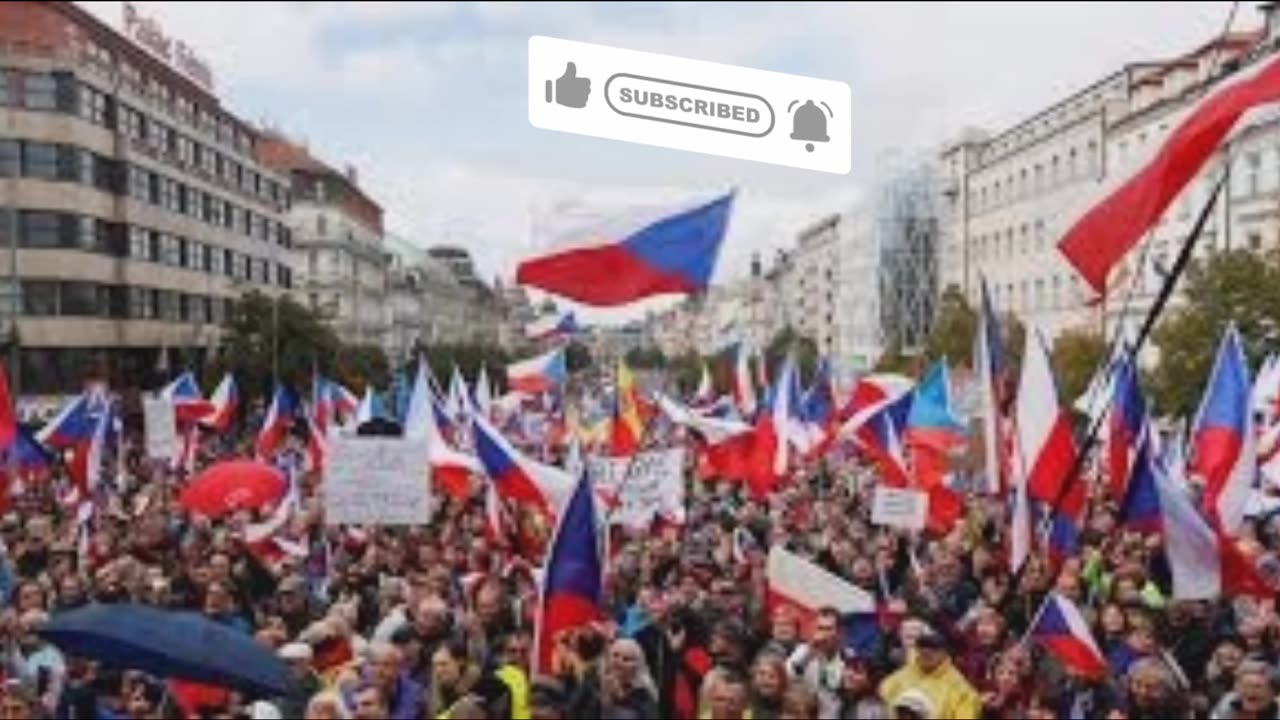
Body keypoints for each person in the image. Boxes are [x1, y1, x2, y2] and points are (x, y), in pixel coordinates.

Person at [879, 630, 981, 719]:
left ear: (945, 652)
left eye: (934, 649)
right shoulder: (895, 680)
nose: (926, 652)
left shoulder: (962, 691)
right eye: (922, 648)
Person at [786, 606, 845, 718]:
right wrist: (809, 652)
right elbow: (786, 675)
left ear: (839, 632)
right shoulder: (804, 651)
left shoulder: (848, 658)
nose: (823, 634)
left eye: (828, 629)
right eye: (820, 628)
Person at [602, 638, 659, 719]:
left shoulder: (644, 698)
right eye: (615, 655)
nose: (618, 661)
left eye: (626, 659)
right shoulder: (595, 685)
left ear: (637, 667)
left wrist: (621, 699)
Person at [1209, 660, 1280, 719]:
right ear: (1236, 688)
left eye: (1258, 686)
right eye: (1245, 685)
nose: (1251, 691)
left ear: (1273, 692)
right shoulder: (1227, 703)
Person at [748, 652, 788, 720]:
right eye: (761, 674)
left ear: (781, 681)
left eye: (772, 677)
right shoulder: (748, 702)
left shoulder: (788, 707)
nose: (765, 680)